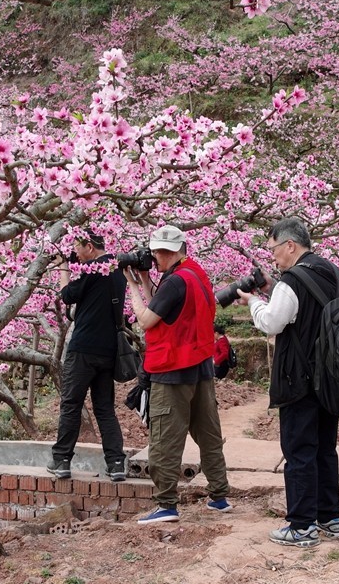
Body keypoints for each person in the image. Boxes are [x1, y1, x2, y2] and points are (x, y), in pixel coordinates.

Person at [237, 217, 339, 547]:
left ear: (290, 245)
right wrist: (274, 290)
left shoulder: (291, 280)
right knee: (325, 449)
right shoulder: (331, 271)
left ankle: (301, 527)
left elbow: (273, 323)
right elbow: (309, 310)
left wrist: (254, 301)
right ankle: (330, 518)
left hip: (298, 380)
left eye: (273, 249)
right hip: (329, 378)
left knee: (299, 451)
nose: (272, 257)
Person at [124, 224, 231, 524]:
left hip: (172, 371)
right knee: (208, 434)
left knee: (165, 439)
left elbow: (146, 320)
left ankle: (166, 504)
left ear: (168, 251)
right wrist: (146, 281)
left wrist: (132, 286)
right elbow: (166, 307)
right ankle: (219, 497)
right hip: (200, 367)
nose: (155, 258)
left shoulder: (174, 283)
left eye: (158, 253)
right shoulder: (194, 273)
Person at [47, 231, 128, 483]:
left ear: (90, 247)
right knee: (105, 409)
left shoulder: (91, 269)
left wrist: (63, 269)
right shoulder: (117, 268)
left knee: (71, 404)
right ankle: (116, 464)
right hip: (109, 350)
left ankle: (61, 460)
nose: (76, 256)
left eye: (77, 248)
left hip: (83, 349)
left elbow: (67, 295)